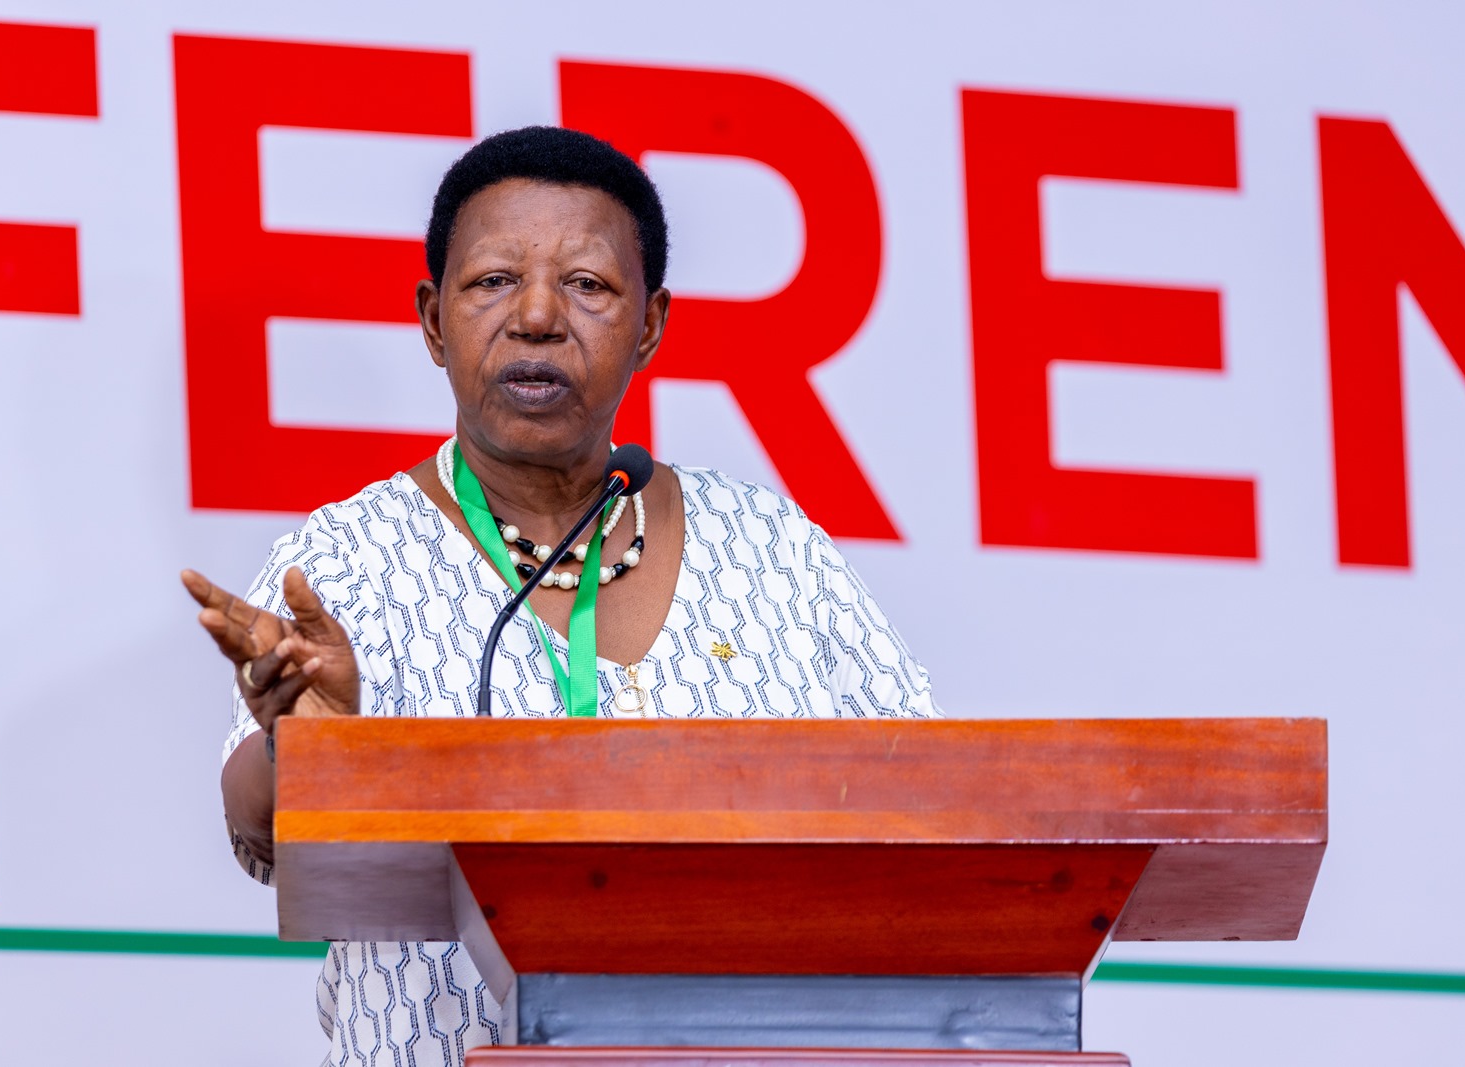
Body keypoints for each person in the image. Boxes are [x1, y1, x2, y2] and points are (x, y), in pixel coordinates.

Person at [182, 126, 938, 1067]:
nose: (538, 316)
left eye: (587, 284)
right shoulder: (345, 557)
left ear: (651, 323)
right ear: (431, 318)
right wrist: (309, 750)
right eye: (493, 280)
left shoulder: (779, 554)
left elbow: (938, 815)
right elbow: (256, 823)